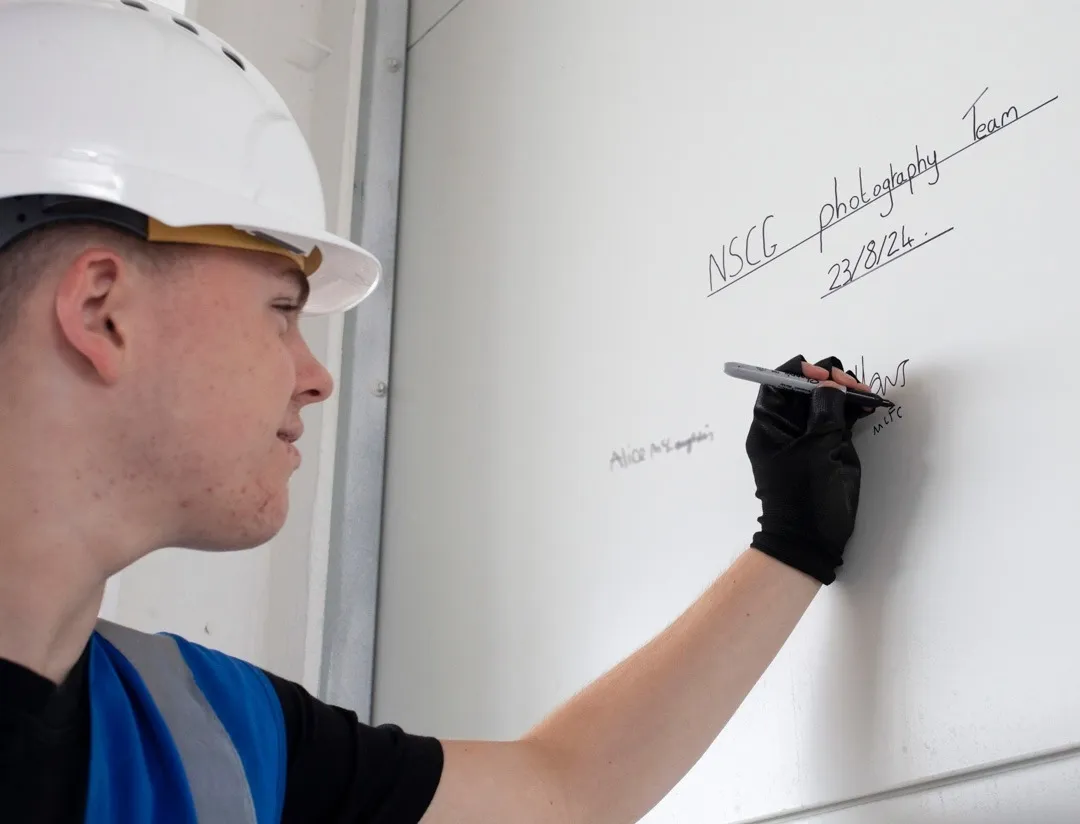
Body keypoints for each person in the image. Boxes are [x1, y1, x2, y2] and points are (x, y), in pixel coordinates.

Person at [0, 2, 877, 822]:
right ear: (102, 313)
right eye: (281, 310)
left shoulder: (202, 730)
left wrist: (792, 542)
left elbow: (563, 790)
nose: (315, 378)